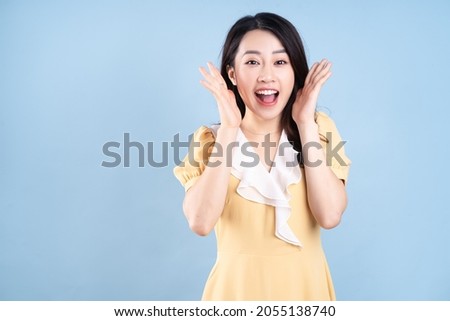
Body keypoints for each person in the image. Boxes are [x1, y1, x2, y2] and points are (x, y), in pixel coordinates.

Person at [174, 12, 351, 300]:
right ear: (232, 74)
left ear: (295, 72)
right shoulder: (210, 139)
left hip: (306, 293)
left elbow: (330, 216)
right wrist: (229, 129)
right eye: (253, 62)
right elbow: (200, 222)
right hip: (234, 294)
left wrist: (306, 125)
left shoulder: (319, 131)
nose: (267, 75)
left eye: (280, 62)